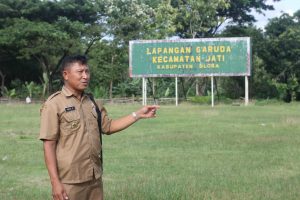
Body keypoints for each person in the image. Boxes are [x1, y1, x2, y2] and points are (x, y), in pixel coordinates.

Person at [39, 55, 159, 200]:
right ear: (66, 74)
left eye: (87, 72)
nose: (85, 76)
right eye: (80, 72)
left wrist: (138, 114)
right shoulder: (54, 104)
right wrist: (55, 182)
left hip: (94, 177)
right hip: (69, 181)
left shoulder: (93, 102)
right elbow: (49, 145)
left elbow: (108, 127)